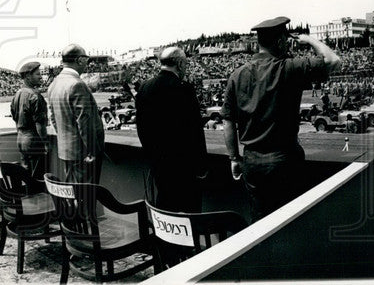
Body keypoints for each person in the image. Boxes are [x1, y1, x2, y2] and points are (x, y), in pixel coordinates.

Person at [222, 17, 341, 220]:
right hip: (284, 159)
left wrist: (234, 158)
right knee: (289, 220)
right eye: (286, 41)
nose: (288, 45)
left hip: (251, 161)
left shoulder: (237, 75)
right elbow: (333, 60)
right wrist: (310, 40)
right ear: (279, 42)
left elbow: (228, 121)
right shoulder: (289, 67)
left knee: (260, 222)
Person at [135, 47, 209, 213]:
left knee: (166, 208)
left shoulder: (145, 87)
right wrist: (201, 166)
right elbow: (195, 131)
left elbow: (142, 130)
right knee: (190, 212)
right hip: (184, 167)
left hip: (158, 164)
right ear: (180, 64)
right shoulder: (183, 88)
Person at [48, 44, 105, 184]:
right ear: (80, 60)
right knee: (86, 197)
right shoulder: (76, 84)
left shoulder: (54, 84)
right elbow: (84, 121)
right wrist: (92, 151)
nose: (87, 63)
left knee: (73, 194)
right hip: (84, 154)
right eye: (86, 59)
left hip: (66, 151)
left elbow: (53, 118)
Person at [10, 62, 49, 180]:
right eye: (38, 74)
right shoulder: (35, 96)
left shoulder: (17, 94)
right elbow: (40, 125)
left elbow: (14, 117)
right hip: (33, 140)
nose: (41, 77)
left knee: (27, 176)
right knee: (37, 178)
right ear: (27, 76)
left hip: (21, 138)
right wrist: (45, 143)